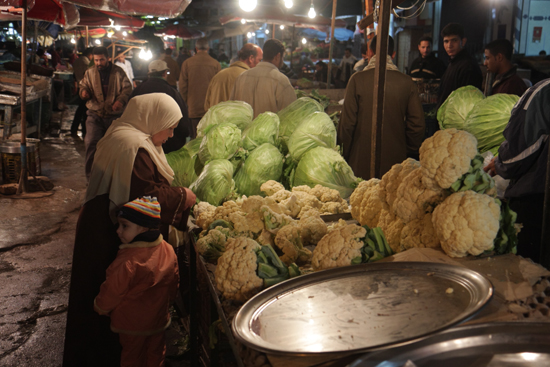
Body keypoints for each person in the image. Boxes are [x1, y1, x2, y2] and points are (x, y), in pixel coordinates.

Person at [63, 93, 196, 367]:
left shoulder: (126, 134)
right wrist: (182, 196)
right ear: (153, 118)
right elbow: (145, 195)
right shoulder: (131, 146)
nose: (171, 134)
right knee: (111, 293)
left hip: (105, 221)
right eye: (169, 126)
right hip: (107, 229)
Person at [94, 196, 179, 367]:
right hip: (158, 319)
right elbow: (173, 282)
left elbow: (113, 290)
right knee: (156, 353)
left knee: (132, 357)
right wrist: (168, 302)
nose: (118, 231)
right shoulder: (168, 250)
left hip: (131, 324)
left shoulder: (128, 261)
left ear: (144, 229)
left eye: (125, 226)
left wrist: (100, 306)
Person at [338, 36, 425, 180]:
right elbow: (417, 125)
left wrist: (343, 153)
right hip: (396, 165)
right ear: (394, 54)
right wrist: (407, 149)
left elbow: (347, 125)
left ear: (370, 52)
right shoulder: (407, 83)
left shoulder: (357, 80)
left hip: (360, 163)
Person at [484, 78, 549, 264]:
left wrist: (501, 162)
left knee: (527, 279)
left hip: (536, 204)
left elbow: (518, 152)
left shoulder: (543, 92)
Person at [79, 46, 132, 180]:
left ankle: (114, 179)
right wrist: (84, 92)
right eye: (96, 60)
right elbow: (83, 85)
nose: (98, 63)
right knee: (91, 142)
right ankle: (91, 179)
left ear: (108, 58)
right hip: (95, 114)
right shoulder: (90, 72)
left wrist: (120, 101)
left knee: (116, 147)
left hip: (114, 117)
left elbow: (127, 88)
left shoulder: (118, 72)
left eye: (101, 60)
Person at [131, 60, 191, 153]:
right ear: (164, 73)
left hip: (141, 144)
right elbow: (182, 119)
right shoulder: (172, 92)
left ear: (149, 74)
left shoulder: (138, 91)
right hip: (167, 145)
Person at [231, 39, 297, 118]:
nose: (282, 62)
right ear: (278, 56)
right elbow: (292, 115)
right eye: (282, 58)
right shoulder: (281, 80)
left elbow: (231, 107)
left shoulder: (241, 77)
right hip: (269, 130)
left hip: (243, 130)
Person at [179, 38, 221, 138]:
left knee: (195, 138)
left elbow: (182, 86)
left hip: (193, 107)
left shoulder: (187, 63)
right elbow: (218, 85)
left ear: (196, 48)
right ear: (208, 48)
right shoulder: (215, 64)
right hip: (210, 108)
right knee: (209, 138)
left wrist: (187, 102)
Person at [436, 23, 483, 108]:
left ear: (463, 41)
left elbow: (468, 102)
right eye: (446, 41)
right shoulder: (453, 62)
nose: (449, 45)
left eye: (454, 40)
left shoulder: (468, 66)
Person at [204, 43, 263, 110]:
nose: (261, 63)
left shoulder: (218, 76)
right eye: (260, 60)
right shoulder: (250, 78)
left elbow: (207, 106)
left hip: (215, 120)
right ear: (251, 58)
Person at [70, 47, 93, 137]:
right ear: (90, 54)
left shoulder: (77, 61)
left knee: (81, 110)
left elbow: (74, 76)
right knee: (84, 111)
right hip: (86, 89)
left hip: (81, 87)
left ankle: (74, 129)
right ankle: (84, 131)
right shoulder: (86, 62)